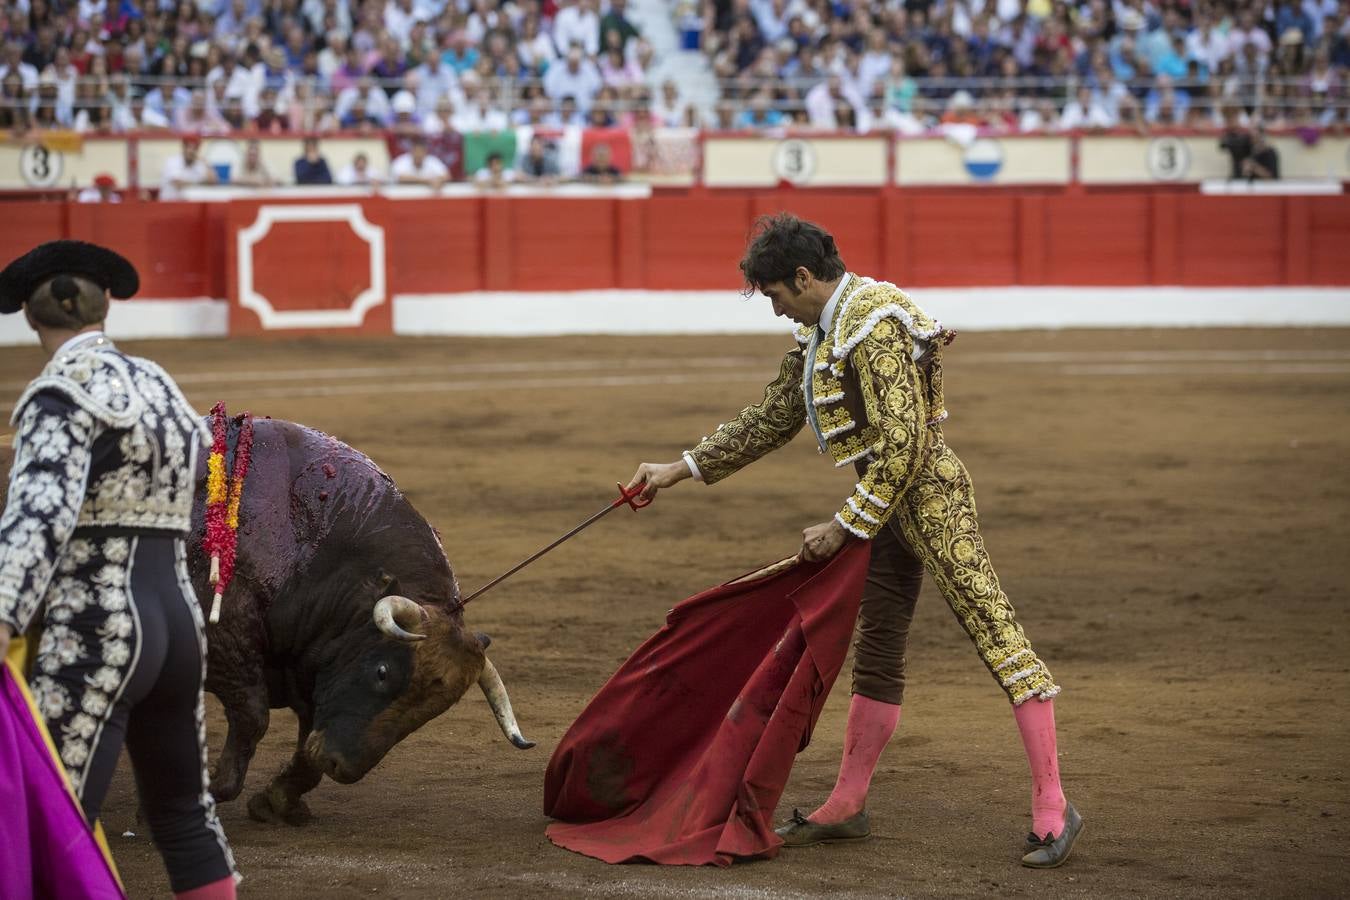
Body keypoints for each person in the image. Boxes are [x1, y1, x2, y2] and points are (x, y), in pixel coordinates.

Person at [626, 214, 1081, 868]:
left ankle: (1053, 807)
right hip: (884, 502)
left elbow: (905, 442)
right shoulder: (827, 332)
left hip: (927, 493)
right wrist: (678, 469)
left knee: (992, 627)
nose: (777, 309)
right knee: (878, 647)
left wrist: (846, 523)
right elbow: (769, 420)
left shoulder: (874, 321)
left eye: (777, 294)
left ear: (804, 277)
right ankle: (847, 803)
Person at [0, 240, 239, 897]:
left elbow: (37, 519)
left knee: (55, 820)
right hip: (179, 625)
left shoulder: (59, 393)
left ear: (30, 316)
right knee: (186, 815)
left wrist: (2, 617)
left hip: (98, 628)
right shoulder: (160, 384)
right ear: (106, 306)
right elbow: (199, 470)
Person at [159, 136, 217, 200]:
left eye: (195, 148)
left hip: (192, 204)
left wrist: (206, 164)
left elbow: (212, 182)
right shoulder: (173, 161)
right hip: (170, 204)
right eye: (189, 147)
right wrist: (200, 183)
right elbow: (178, 184)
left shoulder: (199, 163)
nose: (191, 151)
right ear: (183, 147)